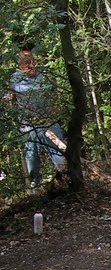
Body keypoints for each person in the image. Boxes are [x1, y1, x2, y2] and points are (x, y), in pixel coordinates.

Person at [7, 51, 66, 189]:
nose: (31, 65)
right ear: (20, 65)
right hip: (28, 127)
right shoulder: (14, 79)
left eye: (33, 61)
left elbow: (55, 94)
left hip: (49, 123)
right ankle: (36, 192)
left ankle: (67, 183)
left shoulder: (45, 75)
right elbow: (8, 98)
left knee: (60, 156)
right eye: (27, 63)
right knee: (32, 160)